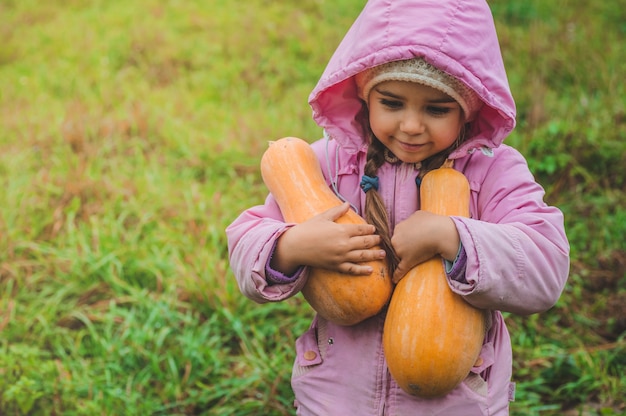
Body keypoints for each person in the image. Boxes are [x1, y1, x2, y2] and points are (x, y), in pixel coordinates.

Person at [226, 0, 570, 414]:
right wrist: (291, 247)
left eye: (436, 109)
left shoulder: (493, 173)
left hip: (452, 404)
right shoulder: (328, 165)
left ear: (469, 108)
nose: (410, 125)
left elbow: (546, 267)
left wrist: (454, 238)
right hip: (336, 400)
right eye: (391, 103)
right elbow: (245, 245)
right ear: (363, 95)